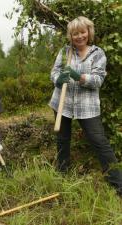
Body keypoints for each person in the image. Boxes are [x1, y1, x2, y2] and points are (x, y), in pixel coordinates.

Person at [49, 16, 122, 195]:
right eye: (75, 33)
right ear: (70, 36)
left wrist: (78, 76)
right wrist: (58, 79)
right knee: (62, 141)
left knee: (99, 142)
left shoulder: (98, 54)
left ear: (89, 32)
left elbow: (98, 80)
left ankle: (118, 183)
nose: (79, 36)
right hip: (62, 103)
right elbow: (54, 72)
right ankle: (62, 175)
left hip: (87, 106)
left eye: (82, 32)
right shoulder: (65, 51)